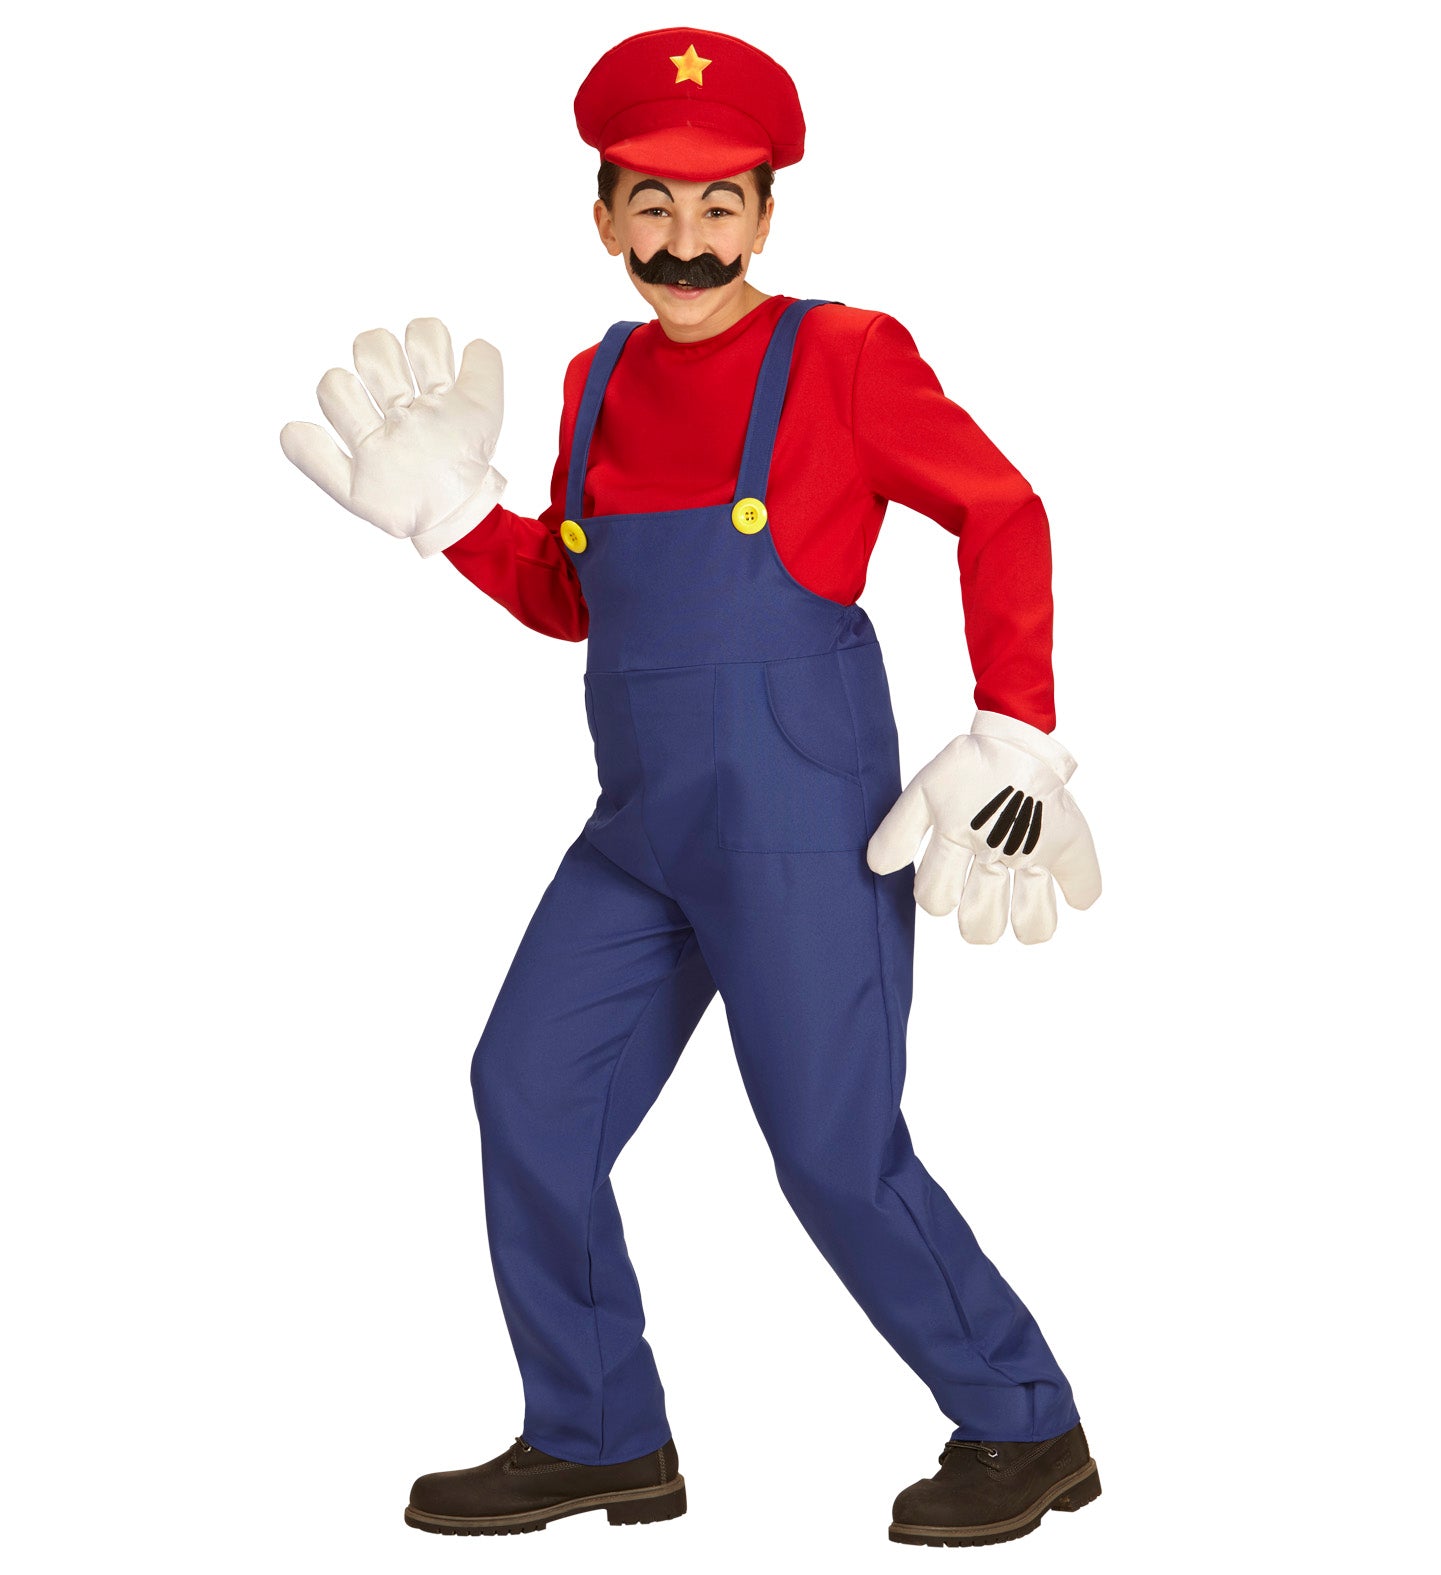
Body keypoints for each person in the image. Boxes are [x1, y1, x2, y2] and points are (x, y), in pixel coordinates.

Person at [280, 25, 1103, 1549]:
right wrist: (455, 516)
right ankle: (597, 1434)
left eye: (720, 204)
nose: (685, 238)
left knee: (832, 1155)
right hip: (640, 829)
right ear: (602, 216)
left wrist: (1015, 724)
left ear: (766, 215)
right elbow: (574, 597)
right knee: (527, 1092)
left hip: (804, 829)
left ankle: (1022, 1420)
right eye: (650, 203)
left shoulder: (843, 356)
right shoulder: (594, 380)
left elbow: (1002, 510)